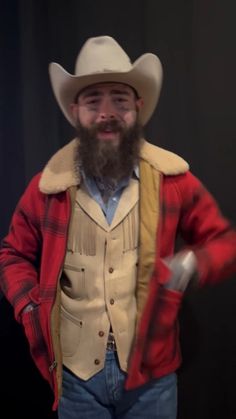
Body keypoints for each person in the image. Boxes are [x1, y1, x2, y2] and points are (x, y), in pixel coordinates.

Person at [1, 35, 236, 419]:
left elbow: (224, 241)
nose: (107, 113)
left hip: (152, 379)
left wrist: (194, 262)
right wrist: (28, 304)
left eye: (120, 101)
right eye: (94, 101)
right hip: (76, 379)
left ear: (137, 109)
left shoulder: (171, 180)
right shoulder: (47, 188)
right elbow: (12, 253)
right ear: (76, 110)